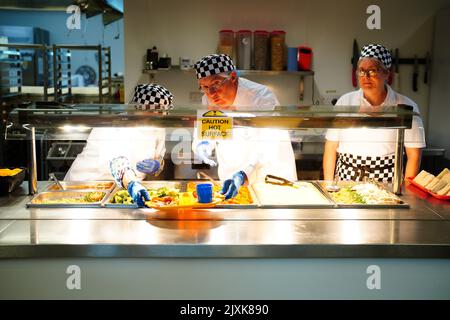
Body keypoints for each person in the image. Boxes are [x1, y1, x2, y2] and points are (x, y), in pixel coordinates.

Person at [192, 53, 297, 199]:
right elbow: (209, 131)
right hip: (230, 180)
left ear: (233, 77)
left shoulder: (261, 97)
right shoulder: (209, 99)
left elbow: (270, 147)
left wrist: (244, 174)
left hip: (269, 180)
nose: (211, 94)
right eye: (204, 87)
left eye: (216, 84)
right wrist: (202, 144)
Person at [323, 44, 426, 182]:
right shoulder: (345, 102)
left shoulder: (406, 106)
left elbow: (414, 155)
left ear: (386, 73)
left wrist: (406, 193)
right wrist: (329, 185)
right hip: (346, 178)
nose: (365, 76)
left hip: (388, 179)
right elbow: (330, 148)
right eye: (361, 70)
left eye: (372, 70)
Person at [65, 83, 174, 207]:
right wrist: (132, 184)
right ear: (137, 107)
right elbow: (117, 163)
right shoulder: (113, 126)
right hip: (86, 186)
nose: (156, 116)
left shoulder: (157, 127)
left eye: (160, 112)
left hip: (124, 190)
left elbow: (159, 157)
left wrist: (157, 165)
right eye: (150, 111)